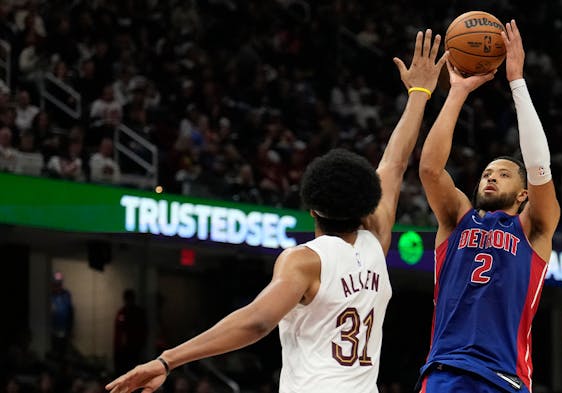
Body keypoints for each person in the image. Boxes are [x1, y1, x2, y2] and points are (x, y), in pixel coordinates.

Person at [105, 29, 448, 393]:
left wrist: (166, 360)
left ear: (312, 207)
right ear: (366, 202)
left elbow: (257, 321)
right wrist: (419, 95)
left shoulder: (304, 261)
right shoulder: (375, 243)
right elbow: (394, 164)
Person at [417, 20, 560, 393]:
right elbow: (430, 168)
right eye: (486, 173)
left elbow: (539, 167)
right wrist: (457, 92)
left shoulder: (534, 230)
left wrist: (517, 82)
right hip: (445, 368)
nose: (490, 177)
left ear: (523, 194)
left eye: (503, 174)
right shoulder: (456, 220)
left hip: (504, 378)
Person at [114, 289, 148, 375]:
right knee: (125, 369)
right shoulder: (122, 312)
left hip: (134, 346)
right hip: (125, 347)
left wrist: (141, 343)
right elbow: (118, 331)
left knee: (133, 368)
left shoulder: (138, 313)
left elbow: (143, 329)